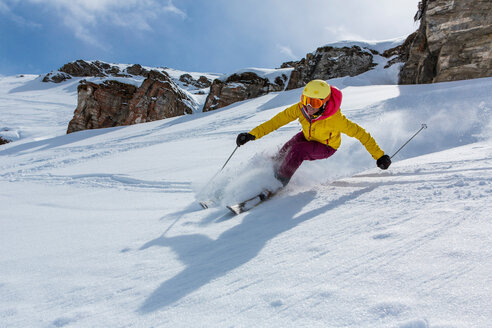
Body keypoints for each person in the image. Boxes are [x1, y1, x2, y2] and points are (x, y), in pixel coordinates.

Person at [236, 79, 391, 187]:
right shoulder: (300, 108)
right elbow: (277, 121)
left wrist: (379, 156)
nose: (309, 106)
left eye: (315, 103)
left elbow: (361, 134)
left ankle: (279, 182)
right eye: (306, 99)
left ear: (324, 103)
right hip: (308, 136)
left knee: (297, 150)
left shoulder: (336, 119)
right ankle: (270, 169)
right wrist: (252, 134)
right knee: (288, 147)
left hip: (326, 146)